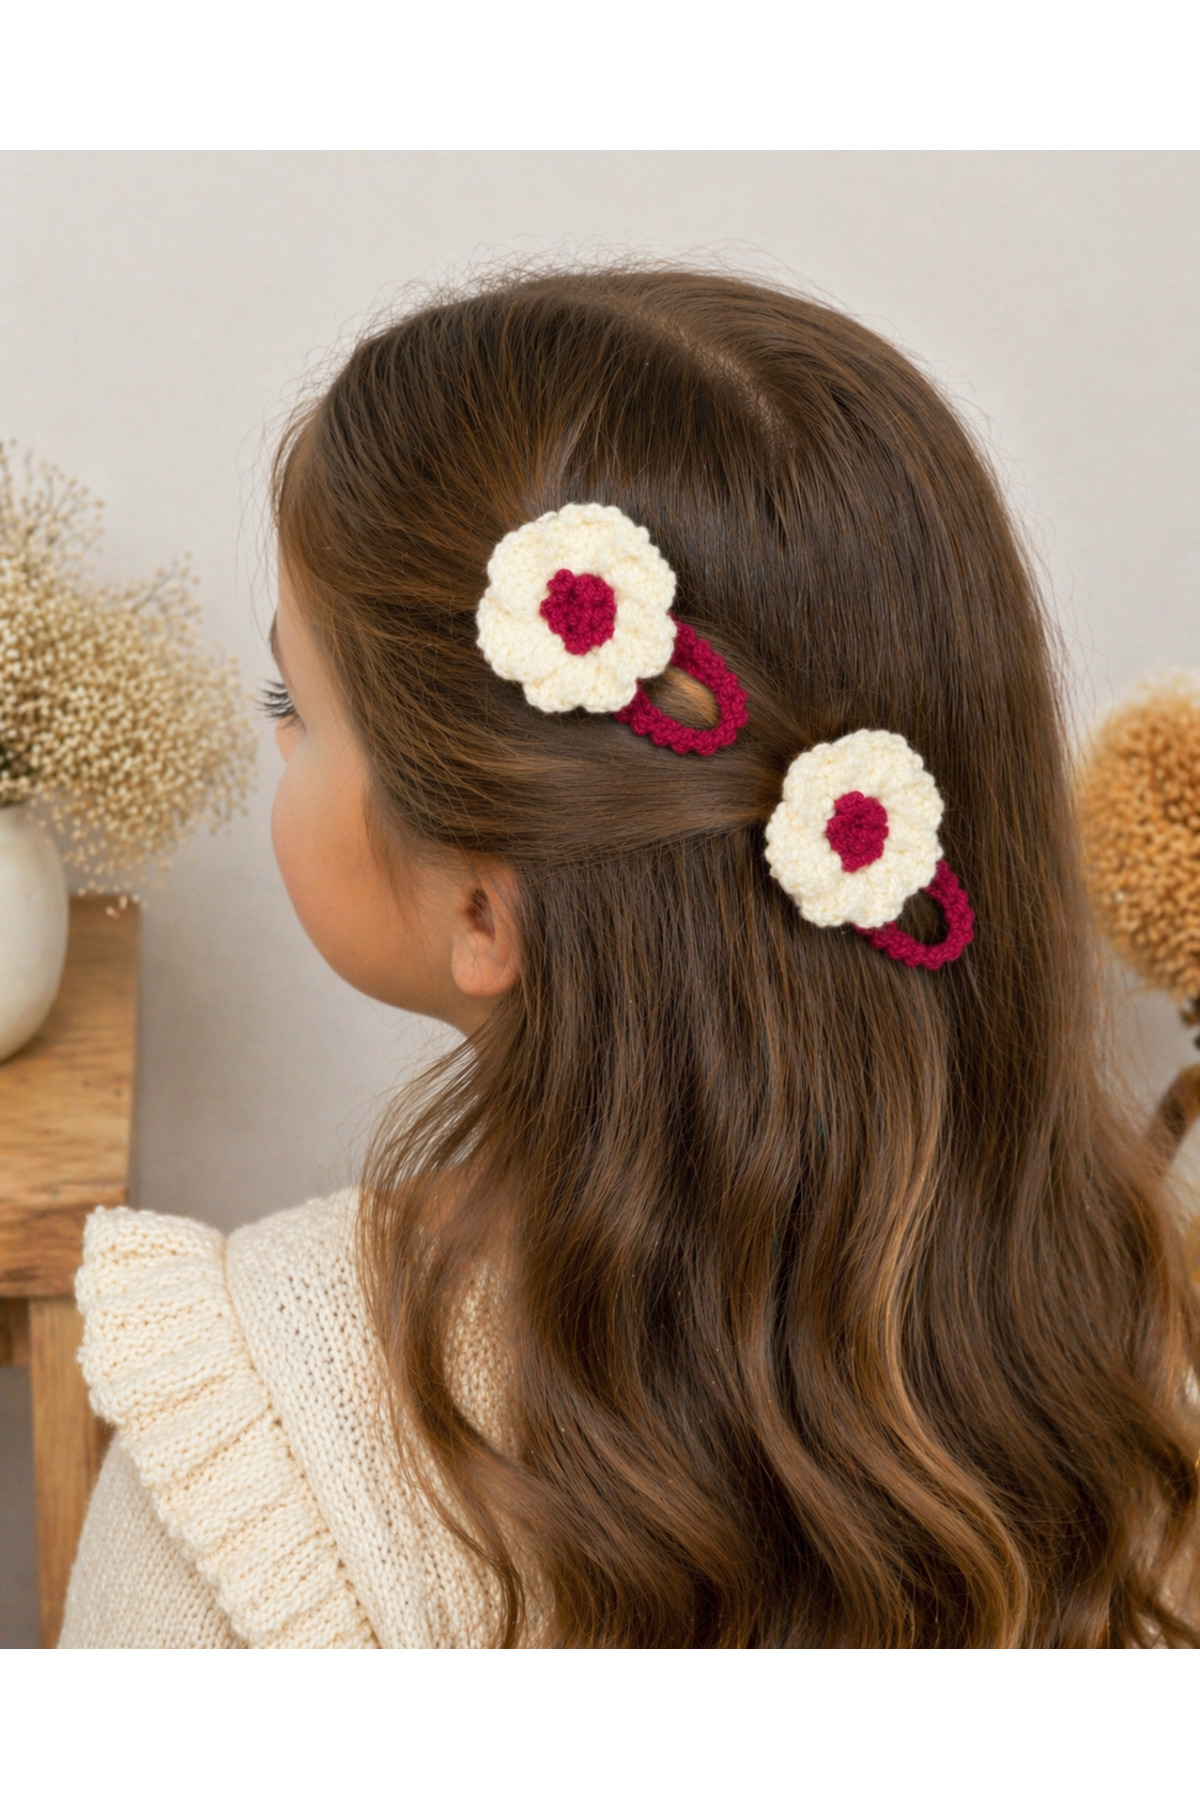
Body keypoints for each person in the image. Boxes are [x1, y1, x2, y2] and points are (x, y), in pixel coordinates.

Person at [60, 265, 1200, 1648]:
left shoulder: (255, 1428)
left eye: (292, 702)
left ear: (487, 915)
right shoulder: (1139, 1349)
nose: (278, 742)